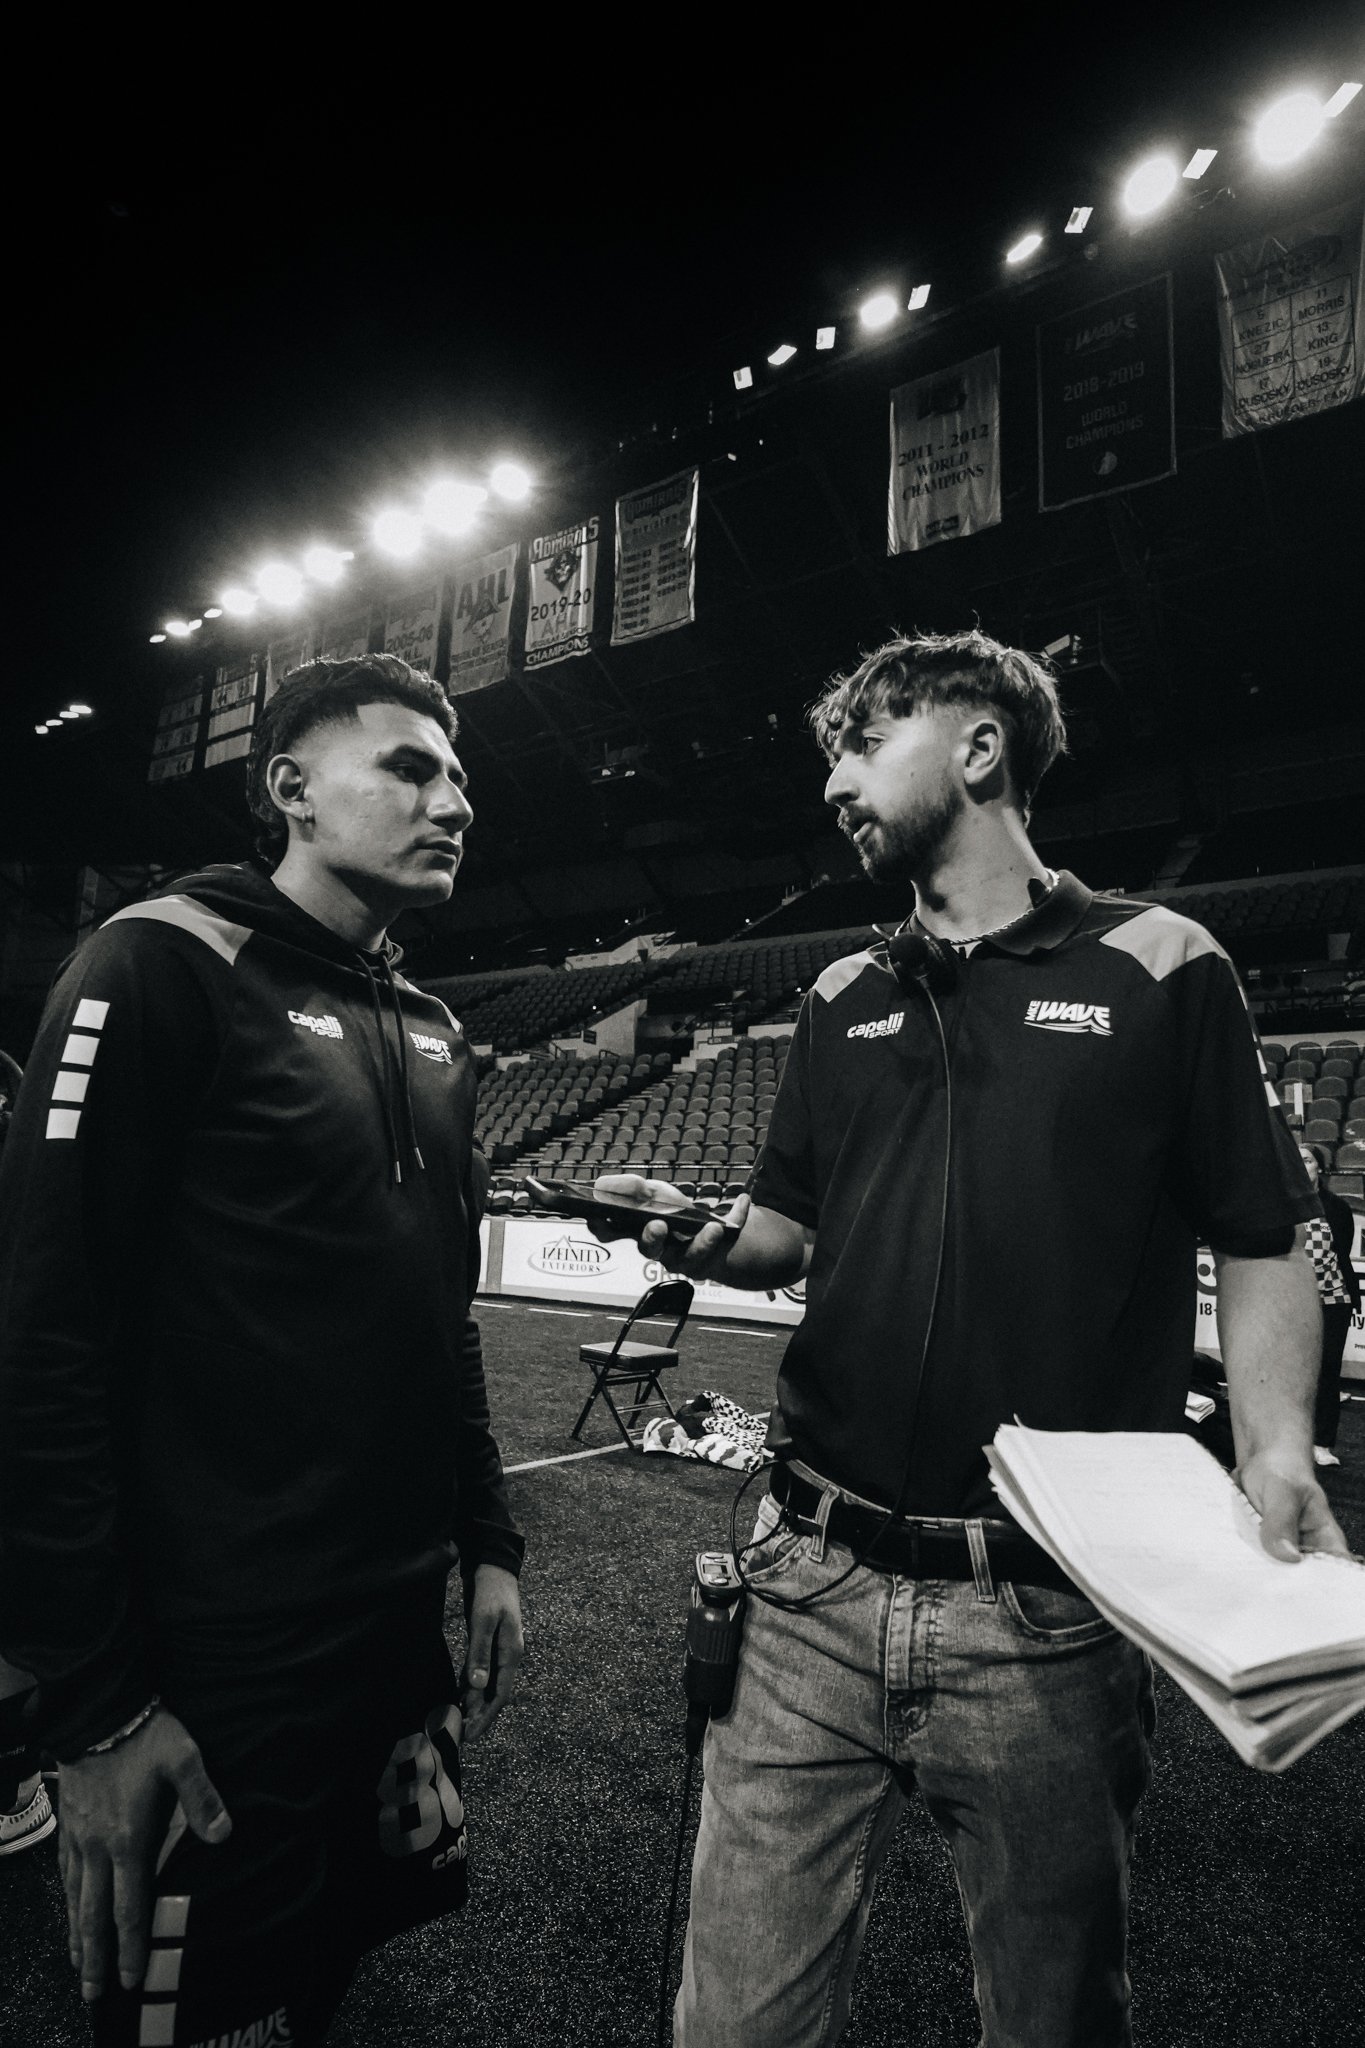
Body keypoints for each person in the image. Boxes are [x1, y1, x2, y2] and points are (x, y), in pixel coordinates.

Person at [598, 628, 1349, 2048]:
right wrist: (700, 1234)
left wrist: (1274, 1447)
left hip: (1048, 1615)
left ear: (980, 747)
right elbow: (788, 1229)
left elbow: (1263, 1232)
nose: (833, 784)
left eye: (863, 744)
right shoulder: (838, 994)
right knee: (731, 2026)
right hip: (803, 1582)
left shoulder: (1163, 962)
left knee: (1051, 2021)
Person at [0, 654, 525, 2047]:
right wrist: (96, 1711)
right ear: (291, 787)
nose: (454, 801)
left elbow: (440, 1315)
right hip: (208, 1657)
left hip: (389, 1639)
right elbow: (37, 1343)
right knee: (180, 2014)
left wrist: (488, 1540)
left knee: (335, 1960)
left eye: (458, 775)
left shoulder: (433, 1028)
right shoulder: (158, 960)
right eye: (408, 767)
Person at [1297, 1139, 1361, 1467]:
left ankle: (1321, 1442)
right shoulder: (1281, 1205)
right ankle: (1292, 1440)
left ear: (1319, 1168)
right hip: (1293, 1300)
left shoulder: (1337, 1207)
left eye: (1307, 1160)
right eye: (1296, 1160)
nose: (1301, 1165)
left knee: (1327, 1371)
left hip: (1333, 1298)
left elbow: (1341, 1254)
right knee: (1293, 1371)